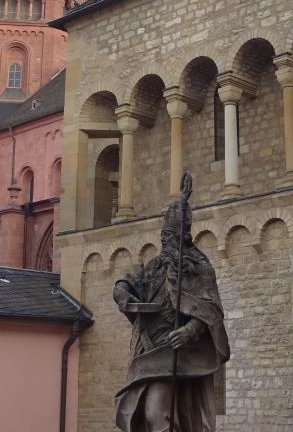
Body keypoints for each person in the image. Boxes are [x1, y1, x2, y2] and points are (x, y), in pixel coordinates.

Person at [114, 173, 229, 432]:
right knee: (144, 414)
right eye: (164, 236)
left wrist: (190, 330)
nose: (165, 241)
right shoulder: (156, 265)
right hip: (149, 348)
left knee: (156, 414)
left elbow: (212, 309)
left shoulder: (199, 266)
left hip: (177, 352)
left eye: (170, 237)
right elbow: (127, 283)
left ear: (183, 237)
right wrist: (122, 294)